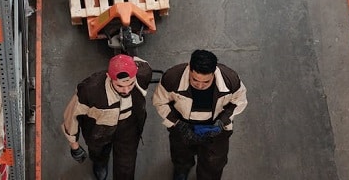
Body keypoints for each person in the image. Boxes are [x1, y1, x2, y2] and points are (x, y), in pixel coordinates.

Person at [153, 49, 248, 180]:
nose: (200, 85)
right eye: (195, 80)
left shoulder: (230, 80)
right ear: (189, 68)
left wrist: (223, 121)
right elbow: (160, 103)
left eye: (206, 82)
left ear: (214, 73)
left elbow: (240, 102)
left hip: (215, 127)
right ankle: (182, 169)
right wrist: (178, 124)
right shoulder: (172, 78)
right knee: (181, 152)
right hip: (182, 124)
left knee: (214, 160)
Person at [62, 54, 152, 180]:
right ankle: (100, 164)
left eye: (131, 84)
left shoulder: (143, 74)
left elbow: (140, 62)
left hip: (128, 127)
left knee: (126, 164)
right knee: (98, 153)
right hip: (99, 130)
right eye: (120, 86)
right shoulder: (89, 91)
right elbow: (71, 115)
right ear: (109, 77)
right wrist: (74, 145)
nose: (126, 91)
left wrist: (126, 62)